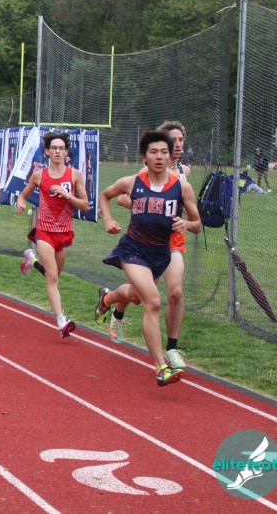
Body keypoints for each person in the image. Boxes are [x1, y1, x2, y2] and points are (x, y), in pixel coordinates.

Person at [96, 130, 201, 387]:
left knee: (134, 296)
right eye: (153, 152)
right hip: (133, 251)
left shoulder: (181, 187)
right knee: (152, 301)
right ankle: (161, 367)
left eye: (164, 152)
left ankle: (107, 298)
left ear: (170, 156)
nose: (159, 156)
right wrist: (108, 219)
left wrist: (186, 224)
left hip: (161, 254)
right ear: (144, 157)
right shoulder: (132, 182)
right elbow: (105, 196)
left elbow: (198, 224)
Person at [16, 131, 89, 338]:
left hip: (65, 233)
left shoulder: (75, 175)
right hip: (44, 232)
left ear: (66, 152)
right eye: (54, 148)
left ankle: (32, 260)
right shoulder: (39, 175)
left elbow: (84, 206)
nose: (58, 152)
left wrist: (68, 196)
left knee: (54, 275)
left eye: (61, 148)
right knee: (53, 277)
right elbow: (23, 195)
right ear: (47, 152)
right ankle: (61, 321)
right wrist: (20, 203)